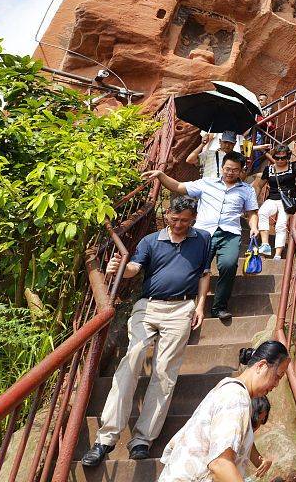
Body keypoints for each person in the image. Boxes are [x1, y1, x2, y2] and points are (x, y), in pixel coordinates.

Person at [81, 198, 212, 466]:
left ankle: (142, 440)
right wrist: (119, 268)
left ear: (193, 218)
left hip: (182, 308)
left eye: (184, 221)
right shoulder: (151, 240)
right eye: (174, 220)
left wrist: (200, 306)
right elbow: (134, 269)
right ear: (168, 215)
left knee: (165, 374)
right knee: (132, 360)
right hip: (148, 306)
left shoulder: (203, 239)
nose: (178, 225)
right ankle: (105, 438)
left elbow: (204, 274)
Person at [145, 152, 259, 320]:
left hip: (230, 233)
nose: (230, 172)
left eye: (235, 170)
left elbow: (251, 212)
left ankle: (219, 306)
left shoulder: (247, 190)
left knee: (228, 265)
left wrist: (254, 227)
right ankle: (188, 304)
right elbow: (178, 187)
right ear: (222, 168)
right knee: (195, 267)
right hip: (203, 233)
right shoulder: (206, 183)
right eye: (227, 168)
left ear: (242, 171)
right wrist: (161, 175)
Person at [156, 342, 289, 482]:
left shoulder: (232, 392)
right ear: (261, 366)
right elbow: (220, 465)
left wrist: (259, 459)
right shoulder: (236, 398)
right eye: (277, 376)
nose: (276, 384)